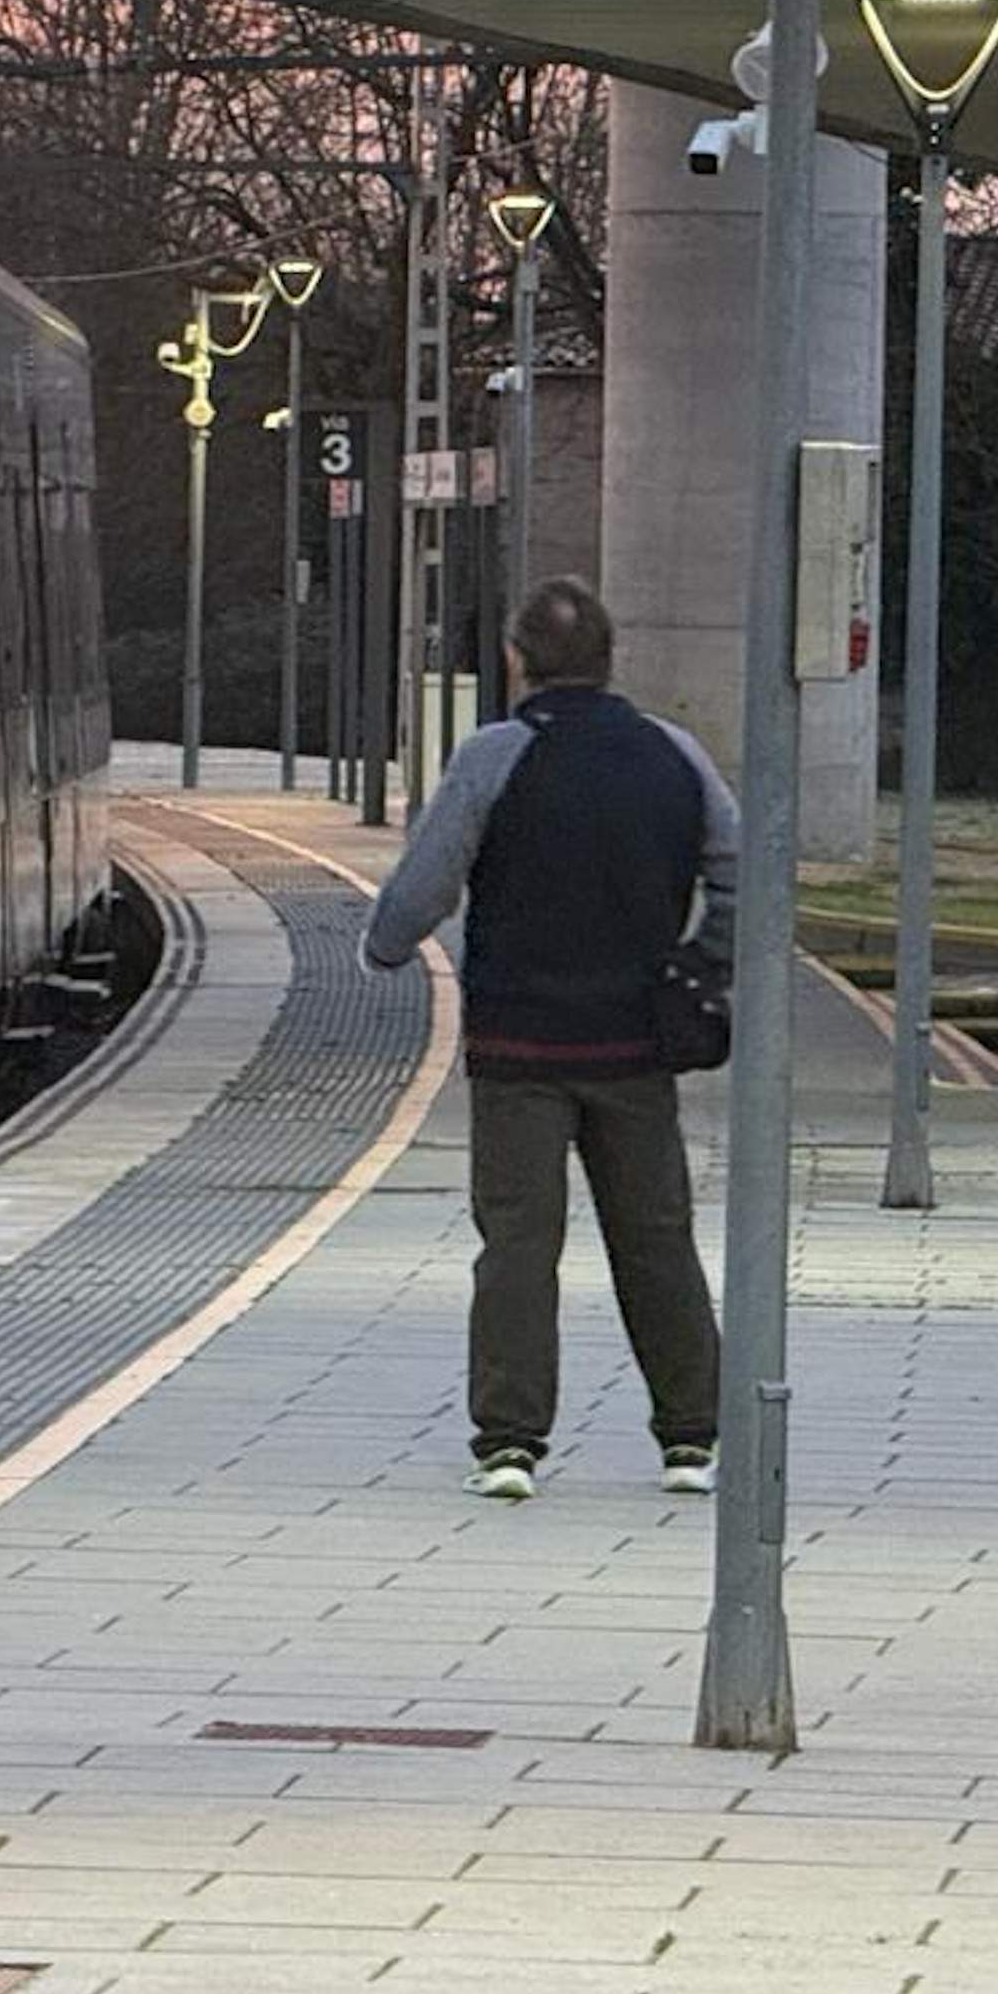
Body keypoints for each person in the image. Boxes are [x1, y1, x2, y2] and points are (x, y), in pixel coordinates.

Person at [361, 577, 732, 1504]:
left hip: (518, 1050)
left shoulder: (496, 756)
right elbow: (739, 870)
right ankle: (691, 1436)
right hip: (637, 1044)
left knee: (518, 1245)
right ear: (611, 659)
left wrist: (385, 946)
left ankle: (510, 1443)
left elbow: (429, 879)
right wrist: (702, 965)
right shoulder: (673, 755)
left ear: (518, 661)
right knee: (656, 1238)